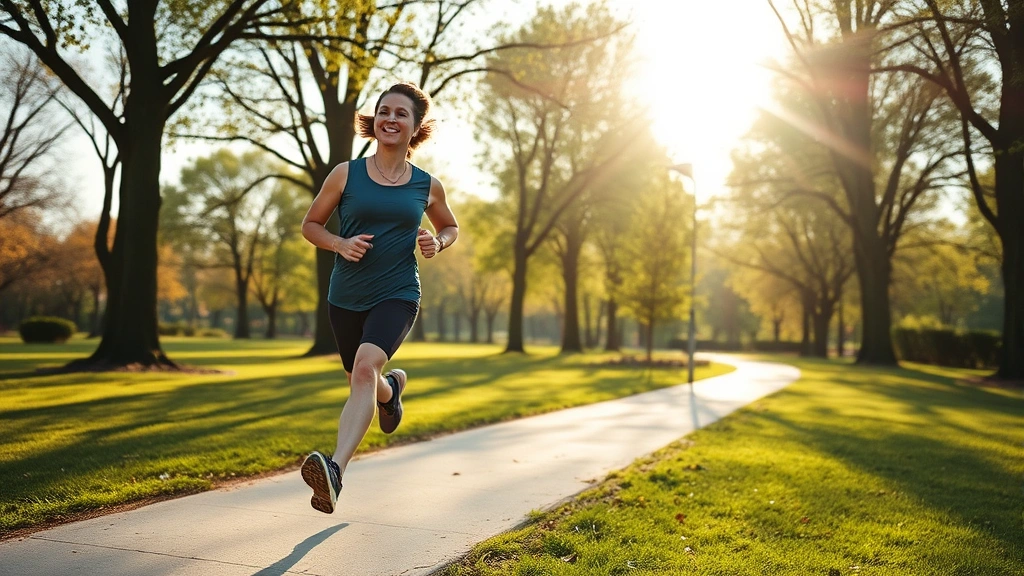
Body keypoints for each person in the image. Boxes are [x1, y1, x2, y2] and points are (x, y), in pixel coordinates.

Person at [298, 81, 458, 514]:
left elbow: (450, 226)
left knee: (365, 368)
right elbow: (311, 224)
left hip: (398, 292)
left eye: (401, 113)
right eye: (384, 110)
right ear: (374, 121)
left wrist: (437, 243)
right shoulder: (345, 174)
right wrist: (338, 244)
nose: (390, 118)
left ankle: (334, 472)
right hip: (346, 296)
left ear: (415, 127)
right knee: (362, 378)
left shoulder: (427, 185)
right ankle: (392, 393)